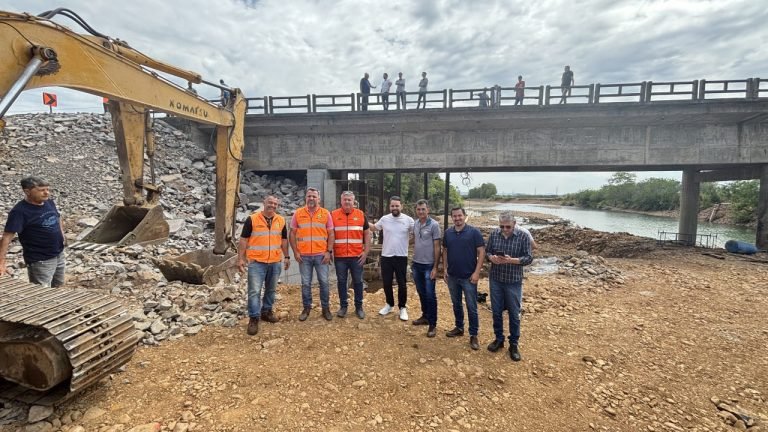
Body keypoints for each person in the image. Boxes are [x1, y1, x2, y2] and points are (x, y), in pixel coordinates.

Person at [238, 195, 290, 336]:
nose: (272, 206)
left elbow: (284, 240)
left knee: (271, 290)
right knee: (254, 291)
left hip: (274, 261)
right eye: (270, 203)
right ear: (264, 203)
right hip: (257, 262)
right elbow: (243, 240)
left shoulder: (281, 220)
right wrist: (241, 258)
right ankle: (254, 318)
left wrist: (286, 256)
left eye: (275, 204)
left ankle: (266, 312)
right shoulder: (252, 219)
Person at [0, 177, 66, 287]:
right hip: (40, 259)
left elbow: (57, 217)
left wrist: (62, 235)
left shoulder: (49, 202)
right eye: (41, 190)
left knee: (58, 285)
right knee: (41, 291)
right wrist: (1, 262)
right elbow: (7, 237)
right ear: (27, 191)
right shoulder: (20, 211)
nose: (46, 193)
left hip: (58, 253)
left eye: (47, 189)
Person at [486, 212, 533, 362]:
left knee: (514, 314)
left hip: (513, 281)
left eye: (508, 227)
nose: (504, 229)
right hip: (496, 279)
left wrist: (511, 260)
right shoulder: (494, 234)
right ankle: (499, 339)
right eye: (502, 226)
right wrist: (491, 258)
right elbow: (487, 252)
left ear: (514, 224)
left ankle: (514, 344)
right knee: (496, 311)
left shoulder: (523, 236)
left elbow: (528, 258)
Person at [442, 207, 485, 350]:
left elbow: (481, 252)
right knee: (456, 304)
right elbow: (445, 251)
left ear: (464, 216)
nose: (457, 218)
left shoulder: (474, 232)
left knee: (472, 307)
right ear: (451, 217)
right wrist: (445, 269)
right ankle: (459, 327)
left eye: (459, 216)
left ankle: (473, 335)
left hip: (469, 277)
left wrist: (477, 272)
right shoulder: (448, 233)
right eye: (454, 216)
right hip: (453, 276)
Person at [289, 187, 334, 322]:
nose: (311, 199)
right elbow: (292, 233)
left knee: (324, 283)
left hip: (321, 255)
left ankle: (325, 309)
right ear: (306, 198)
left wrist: (328, 251)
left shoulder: (325, 214)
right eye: (309, 196)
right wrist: (295, 252)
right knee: (306, 283)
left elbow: (331, 233)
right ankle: (306, 308)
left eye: (314, 196)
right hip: (304, 256)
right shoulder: (298, 213)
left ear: (319, 199)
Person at [374, 196, 414, 321]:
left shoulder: (409, 220)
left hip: (401, 256)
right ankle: (389, 304)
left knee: (402, 284)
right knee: (386, 282)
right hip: (386, 256)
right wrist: (360, 219)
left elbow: (416, 234)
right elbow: (374, 227)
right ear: (389, 207)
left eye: (397, 206)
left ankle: (402, 307)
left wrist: (408, 243)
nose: (395, 208)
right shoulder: (385, 219)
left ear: (401, 206)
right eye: (392, 206)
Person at [332, 191, 371, 319]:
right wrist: (329, 251)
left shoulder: (360, 215)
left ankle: (359, 307)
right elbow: (329, 234)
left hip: (357, 256)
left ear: (353, 201)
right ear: (341, 201)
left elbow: (366, 234)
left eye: (350, 200)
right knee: (342, 281)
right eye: (345, 200)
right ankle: (343, 306)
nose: (347, 202)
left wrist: (365, 252)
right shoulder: (333, 215)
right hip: (340, 256)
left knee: (358, 282)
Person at [411, 199, 441, 337]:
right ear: (416, 210)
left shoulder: (434, 225)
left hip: (429, 265)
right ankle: (425, 316)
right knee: (421, 292)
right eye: (418, 209)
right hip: (417, 264)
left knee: (430, 295)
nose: (421, 211)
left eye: (423, 209)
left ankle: (432, 324)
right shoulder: (416, 224)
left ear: (428, 210)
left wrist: (435, 267)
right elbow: (414, 240)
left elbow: (437, 247)